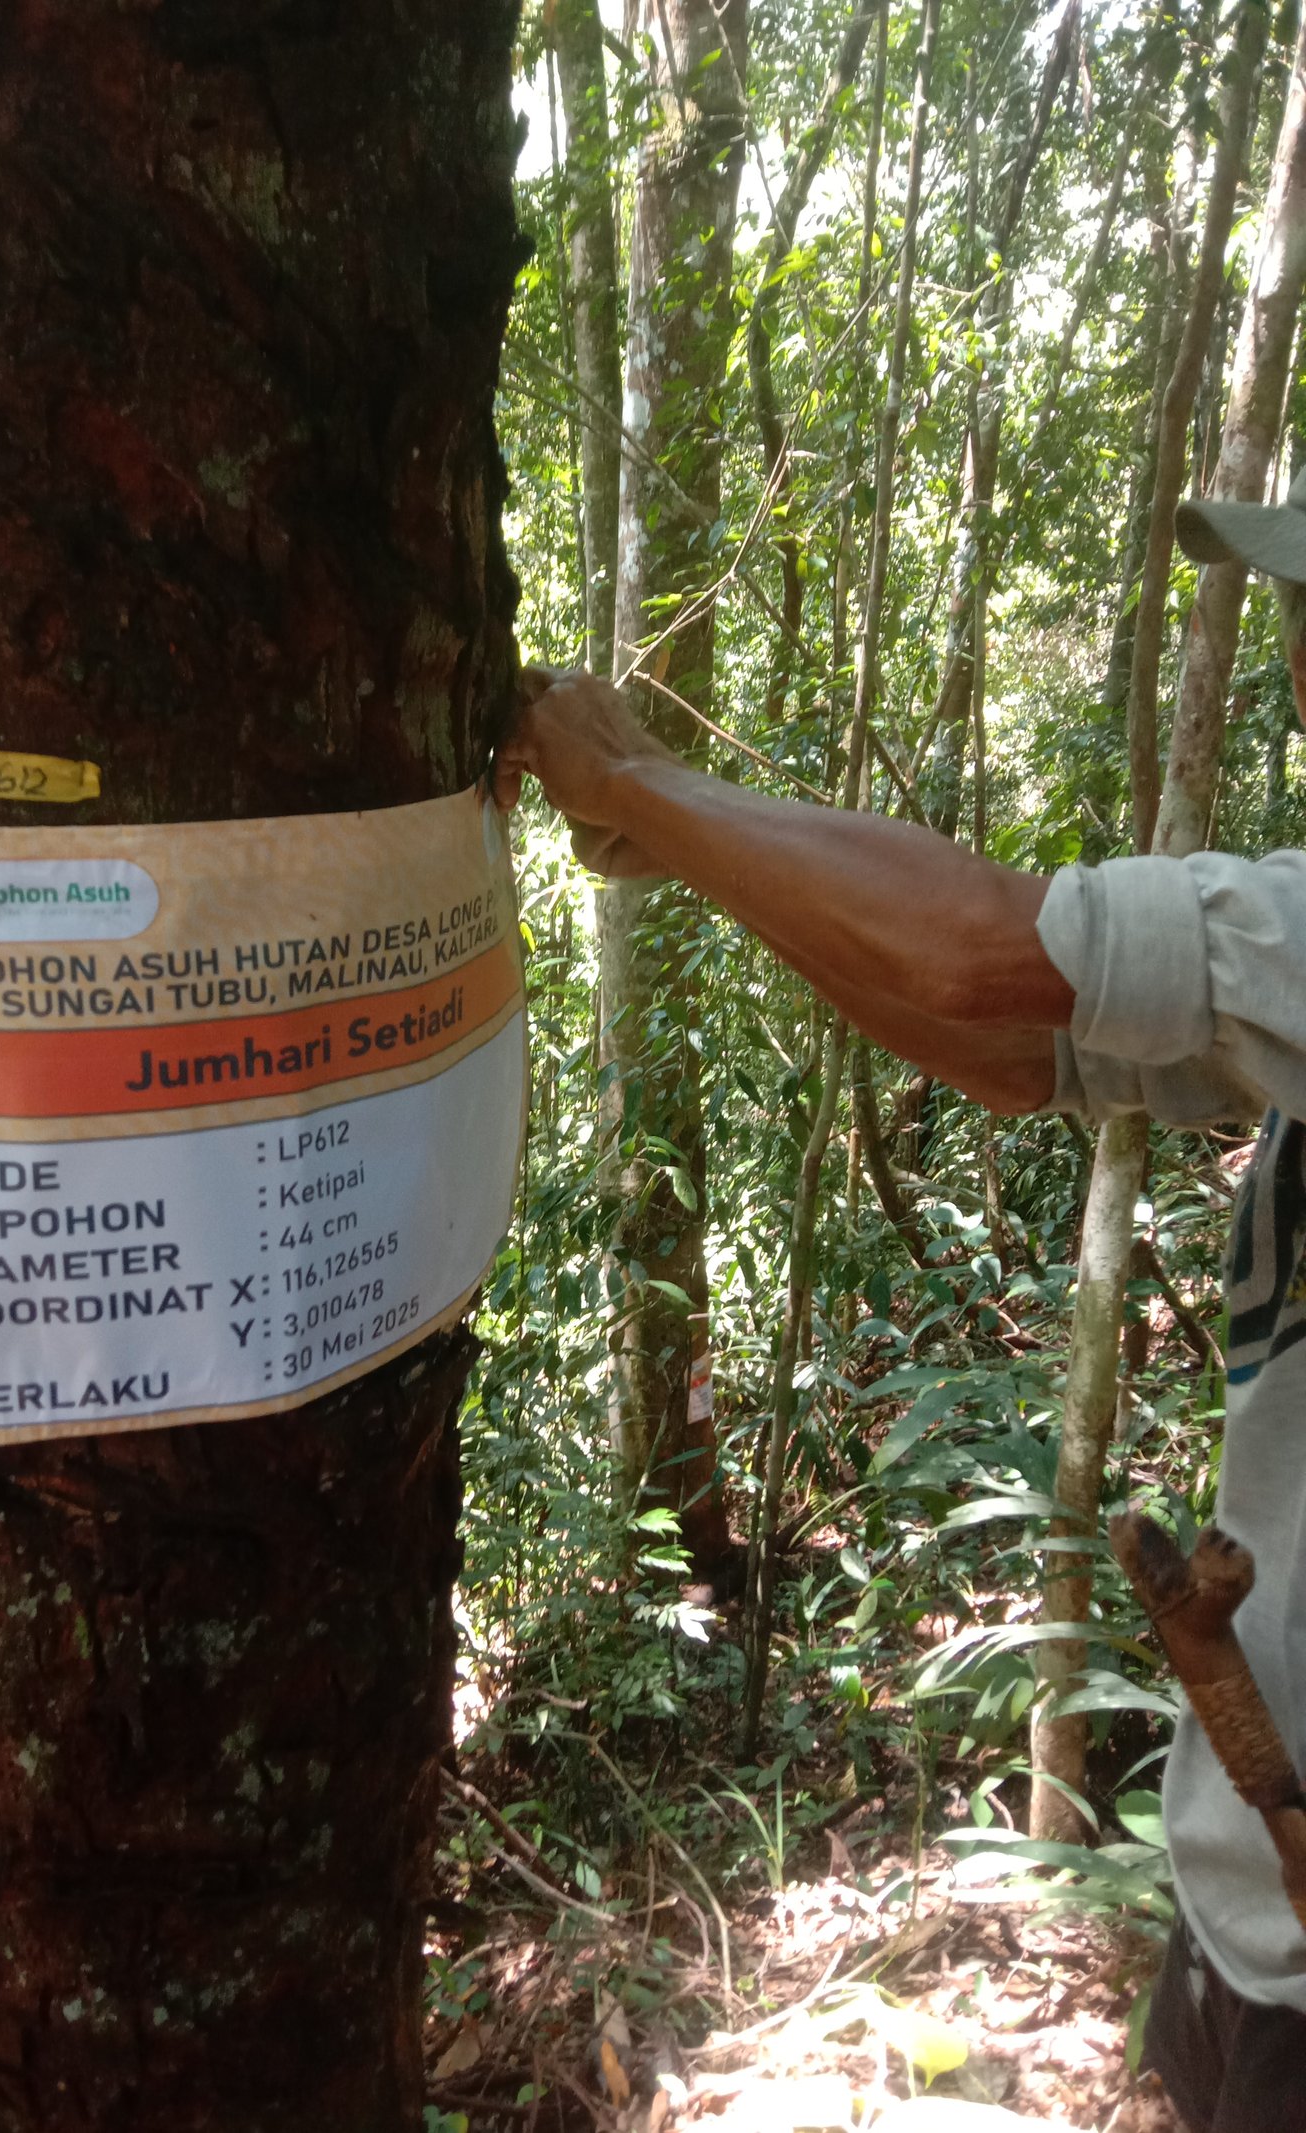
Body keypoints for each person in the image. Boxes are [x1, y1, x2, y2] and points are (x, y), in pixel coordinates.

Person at [494, 469, 1306, 2133]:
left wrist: (647, 787)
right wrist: (690, 845)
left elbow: (992, 949)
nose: (1299, 657)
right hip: (1256, 1902)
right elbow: (1019, 1047)